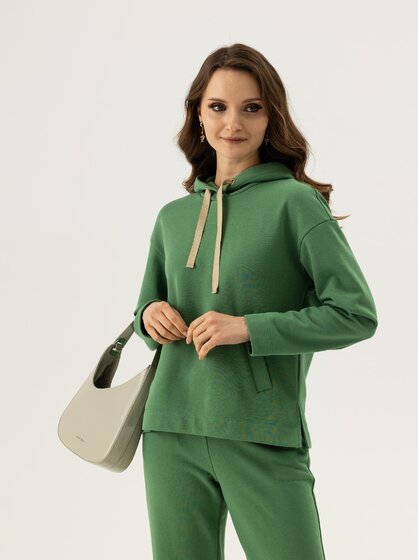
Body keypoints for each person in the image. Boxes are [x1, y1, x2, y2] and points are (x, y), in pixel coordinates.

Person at [133, 43, 378, 560]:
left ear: (272, 117)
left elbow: (355, 314)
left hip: (260, 429)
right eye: (218, 106)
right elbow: (146, 314)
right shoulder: (173, 217)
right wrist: (150, 316)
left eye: (252, 107)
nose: (233, 123)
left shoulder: (296, 203)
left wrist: (247, 327)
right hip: (170, 428)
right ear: (198, 114)